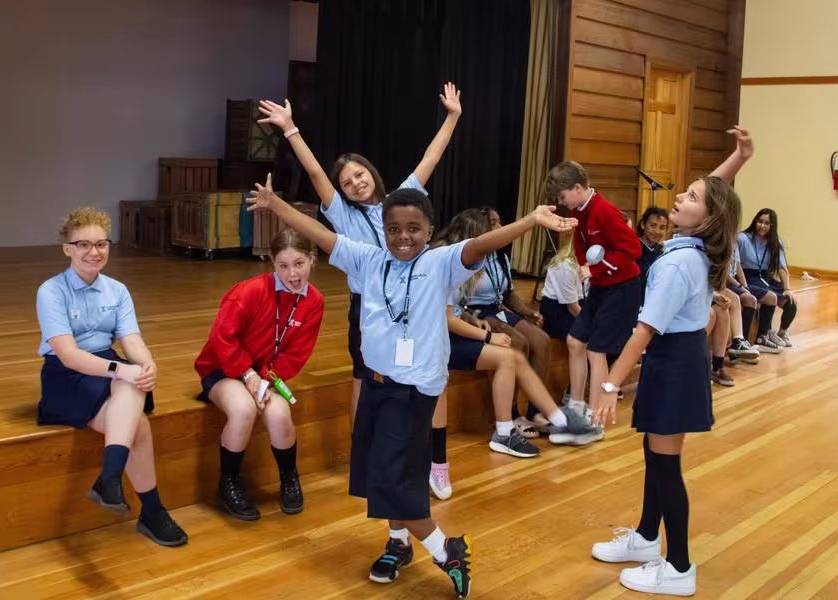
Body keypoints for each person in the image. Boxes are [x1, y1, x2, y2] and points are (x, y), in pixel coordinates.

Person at [248, 174, 577, 598]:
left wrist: (531, 220)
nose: (403, 237)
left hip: (413, 391)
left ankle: (448, 551)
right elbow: (321, 235)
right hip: (376, 384)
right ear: (383, 230)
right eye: (393, 229)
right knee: (388, 474)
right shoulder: (368, 259)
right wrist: (276, 205)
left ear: (429, 231)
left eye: (413, 229)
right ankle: (398, 543)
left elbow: (482, 244)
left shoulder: (439, 263)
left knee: (389, 477)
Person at [590, 126, 753, 596]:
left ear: (706, 217)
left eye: (692, 196)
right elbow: (715, 198)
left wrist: (608, 387)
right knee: (655, 456)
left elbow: (643, 331)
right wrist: (737, 159)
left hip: (672, 363)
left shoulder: (679, 263)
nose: (681, 195)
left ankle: (679, 567)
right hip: (677, 361)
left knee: (665, 466)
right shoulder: (692, 247)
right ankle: (645, 538)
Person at [257, 83, 462, 425]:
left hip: (412, 302)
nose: (355, 183)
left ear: (371, 172)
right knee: (363, 380)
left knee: (421, 376)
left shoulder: (399, 202)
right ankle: (360, 447)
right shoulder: (342, 214)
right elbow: (315, 173)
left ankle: (426, 452)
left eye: (359, 175)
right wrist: (290, 129)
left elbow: (432, 158)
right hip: (367, 306)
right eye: (347, 183)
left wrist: (452, 117)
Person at [36, 206, 187, 547]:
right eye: (84, 244)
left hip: (105, 365)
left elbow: (130, 339)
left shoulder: (117, 290)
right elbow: (69, 354)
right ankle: (150, 510)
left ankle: (111, 479)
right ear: (67, 248)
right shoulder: (51, 291)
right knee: (138, 422)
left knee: (134, 395)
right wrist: (124, 370)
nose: (94, 252)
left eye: (101, 244)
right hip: (66, 373)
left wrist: (148, 366)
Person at [427, 210, 601, 500]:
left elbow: (457, 311)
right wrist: (486, 333)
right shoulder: (442, 262)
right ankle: (438, 461)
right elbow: (446, 318)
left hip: (452, 335)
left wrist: (476, 320)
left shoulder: (481, 262)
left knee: (514, 356)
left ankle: (528, 426)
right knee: (447, 380)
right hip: (431, 342)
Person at [194, 229, 324, 520]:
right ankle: (227, 483)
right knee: (242, 409)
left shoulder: (314, 300)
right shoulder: (249, 291)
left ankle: (290, 478)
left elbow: (296, 354)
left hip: (266, 375)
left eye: (299, 263)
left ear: (312, 260)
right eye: (283, 265)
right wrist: (248, 376)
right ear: (272, 264)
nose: (293, 274)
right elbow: (221, 339)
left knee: (279, 414)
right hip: (224, 369)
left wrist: (264, 378)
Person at [544, 161, 643, 429]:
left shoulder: (604, 211)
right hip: (602, 286)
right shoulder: (583, 211)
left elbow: (633, 249)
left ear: (578, 187)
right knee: (575, 341)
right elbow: (581, 244)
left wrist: (595, 268)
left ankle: (595, 418)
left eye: (563, 197)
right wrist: (585, 266)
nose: (562, 203)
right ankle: (577, 407)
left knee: (597, 350)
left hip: (622, 288)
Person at [461, 207, 554, 434]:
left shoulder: (500, 257)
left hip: (497, 308)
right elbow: (456, 302)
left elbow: (509, 294)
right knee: (518, 343)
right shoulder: (468, 256)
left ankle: (536, 410)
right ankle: (511, 415)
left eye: (500, 222)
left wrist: (526, 311)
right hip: (474, 313)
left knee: (542, 341)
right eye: (494, 223)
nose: (500, 228)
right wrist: (472, 320)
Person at [737, 208, 798, 350]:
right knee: (769, 297)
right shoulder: (743, 238)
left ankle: (782, 332)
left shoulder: (776, 243)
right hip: (749, 276)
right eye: (760, 221)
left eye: (767, 223)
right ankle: (764, 334)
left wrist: (787, 288)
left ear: (772, 226)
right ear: (755, 221)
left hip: (765, 277)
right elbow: (737, 263)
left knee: (790, 302)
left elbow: (782, 267)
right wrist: (744, 285)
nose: (762, 226)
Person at [636, 207, 669, 304]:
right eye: (653, 225)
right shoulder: (632, 248)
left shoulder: (664, 252)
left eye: (662, 227)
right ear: (643, 225)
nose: (657, 231)